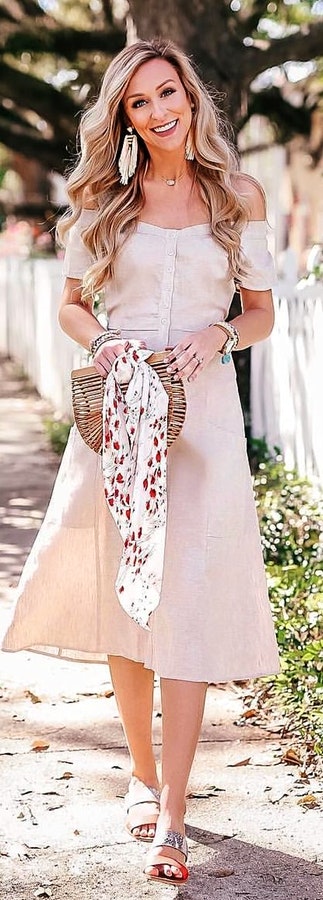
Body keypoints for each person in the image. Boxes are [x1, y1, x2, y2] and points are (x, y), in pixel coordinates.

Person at [2, 38, 280, 885]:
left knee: (186, 600)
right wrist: (114, 346)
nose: (159, 112)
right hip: (121, 422)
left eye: (168, 93)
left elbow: (262, 312)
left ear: (190, 96)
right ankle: (141, 770)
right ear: (121, 117)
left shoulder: (237, 194)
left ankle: (171, 816)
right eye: (138, 102)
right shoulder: (103, 202)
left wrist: (218, 331)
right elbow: (72, 310)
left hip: (203, 429)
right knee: (133, 599)